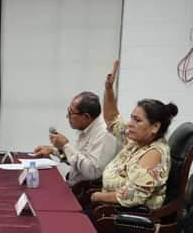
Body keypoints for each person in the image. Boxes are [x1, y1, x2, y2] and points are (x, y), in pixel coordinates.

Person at [91, 60, 178, 209]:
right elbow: (112, 120)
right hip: (109, 209)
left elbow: (132, 195)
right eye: (131, 118)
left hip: (125, 220)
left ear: (155, 127)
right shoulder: (137, 140)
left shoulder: (153, 154)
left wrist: (96, 196)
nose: (130, 123)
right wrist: (109, 89)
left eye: (137, 120)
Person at [33, 91, 117, 186]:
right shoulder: (87, 127)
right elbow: (75, 162)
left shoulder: (104, 133)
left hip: (87, 192)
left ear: (86, 116)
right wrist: (55, 151)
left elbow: (92, 172)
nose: (67, 116)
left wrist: (65, 146)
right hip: (74, 184)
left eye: (71, 113)